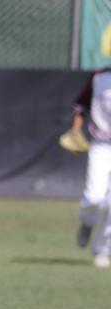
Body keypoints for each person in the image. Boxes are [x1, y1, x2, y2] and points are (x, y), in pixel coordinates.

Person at [70, 68, 111, 268]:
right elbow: (82, 105)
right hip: (102, 146)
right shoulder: (98, 77)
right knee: (95, 197)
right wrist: (75, 132)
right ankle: (87, 222)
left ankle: (102, 250)